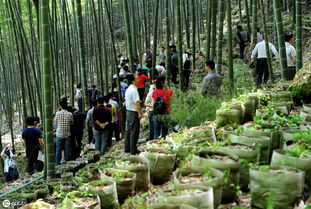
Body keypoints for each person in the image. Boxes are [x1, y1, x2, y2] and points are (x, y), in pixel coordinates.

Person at [124, 74, 142, 154]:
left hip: (128, 112)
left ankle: (127, 148)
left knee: (128, 130)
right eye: (137, 79)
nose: (139, 80)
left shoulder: (128, 89)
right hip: (133, 112)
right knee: (134, 131)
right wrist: (139, 113)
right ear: (133, 81)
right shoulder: (134, 90)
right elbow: (136, 103)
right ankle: (133, 150)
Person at [54, 100, 73, 165]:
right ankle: (67, 164)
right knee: (67, 150)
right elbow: (71, 123)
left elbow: (55, 121)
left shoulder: (57, 113)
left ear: (60, 106)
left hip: (59, 134)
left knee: (58, 150)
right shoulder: (70, 114)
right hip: (67, 134)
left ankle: (57, 164)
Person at [144, 76, 158, 141]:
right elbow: (146, 103)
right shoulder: (151, 92)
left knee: (156, 128)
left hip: (159, 112)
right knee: (152, 128)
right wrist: (153, 106)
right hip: (152, 111)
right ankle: (151, 141)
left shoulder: (163, 91)